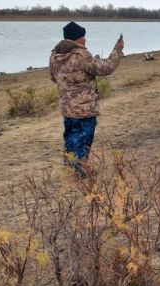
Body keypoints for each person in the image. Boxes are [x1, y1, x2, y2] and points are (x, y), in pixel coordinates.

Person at [49, 22, 124, 176]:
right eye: (83, 36)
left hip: (67, 107)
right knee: (84, 139)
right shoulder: (81, 55)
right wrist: (117, 50)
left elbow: (53, 77)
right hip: (84, 108)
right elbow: (106, 68)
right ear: (77, 38)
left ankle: (70, 167)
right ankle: (80, 170)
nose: (85, 39)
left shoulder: (54, 55)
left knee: (70, 137)